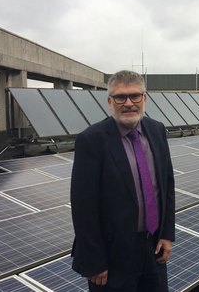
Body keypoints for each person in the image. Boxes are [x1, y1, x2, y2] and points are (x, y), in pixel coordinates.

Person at [70, 70, 175, 292]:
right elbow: (83, 208)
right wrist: (95, 262)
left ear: (144, 99)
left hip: (153, 248)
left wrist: (166, 234)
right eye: (120, 97)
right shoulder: (91, 140)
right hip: (111, 258)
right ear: (110, 102)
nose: (128, 103)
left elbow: (166, 186)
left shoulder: (157, 130)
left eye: (135, 96)